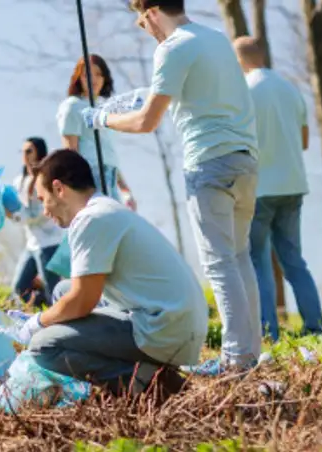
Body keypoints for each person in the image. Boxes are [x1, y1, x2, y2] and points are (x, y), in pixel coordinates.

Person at [82, 0, 262, 376]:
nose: (141, 28)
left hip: (209, 163)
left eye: (140, 19)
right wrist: (145, 91)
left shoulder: (172, 47)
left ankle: (236, 360)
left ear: (151, 12)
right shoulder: (215, 39)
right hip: (245, 160)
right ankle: (249, 353)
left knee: (219, 261)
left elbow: (147, 122)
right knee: (240, 256)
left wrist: (104, 118)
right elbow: (197, 87)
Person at [14, 150, 208, 395]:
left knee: (44, 346)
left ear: (59, 188)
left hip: (165, 328)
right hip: (175, 320)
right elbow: (76, 293)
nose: (44, 211)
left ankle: (150, 382)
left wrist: (37, 322)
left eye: (43, 199)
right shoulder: (104, 209)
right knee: (63, 290)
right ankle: (143, 368)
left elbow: (83, 301)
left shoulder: (90, 219)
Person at [233, 37, 322, 342]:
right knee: (294, 260)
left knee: (258, 261)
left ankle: (268, 333)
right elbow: (304, 141)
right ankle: (315, 329)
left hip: (260, 187)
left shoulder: (244, 91)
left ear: (240, 59)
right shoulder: (290, 89)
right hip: (293, 186)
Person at [57, 55, 136, 208]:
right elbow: (70, 152)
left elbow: (108, 153)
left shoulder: (105, 110)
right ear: (78, 78)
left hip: (110, 177)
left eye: (99, 74)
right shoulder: (73, 106)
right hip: (90, 176)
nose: (94, 79)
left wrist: (125, 189)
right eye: (87, 74)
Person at [7, 137, 63, 307]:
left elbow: (44, 212)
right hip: (31, 244)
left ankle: (61, 320)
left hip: (49, 242)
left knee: (53, 290)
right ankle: (44, 309)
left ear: (40, 152)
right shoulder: (19, 181)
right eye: (22, 151)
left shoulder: (48, 177)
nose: (25, 155)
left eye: (29, 151)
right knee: (19, 288)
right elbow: (16, 207)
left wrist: (17, 216)